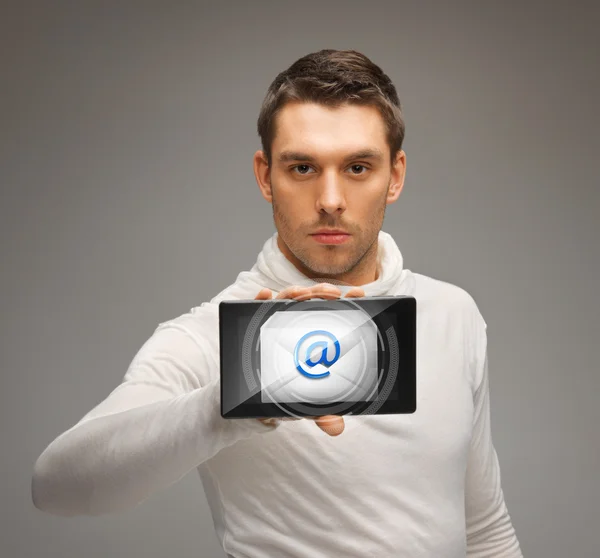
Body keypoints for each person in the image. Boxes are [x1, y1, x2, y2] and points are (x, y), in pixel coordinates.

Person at [31, 49, 523, 557]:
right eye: (303, 167)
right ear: (266, 175)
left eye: (357, 167)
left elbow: (485, 528)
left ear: (395, 175)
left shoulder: (451, 313)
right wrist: (229, 406)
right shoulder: (209, 337)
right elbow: (57, 486)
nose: (330, 199)